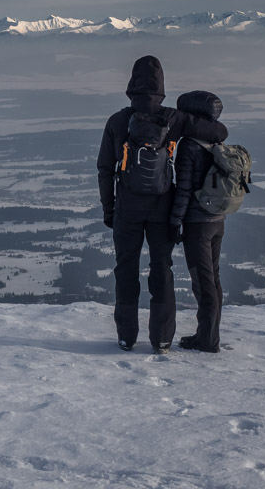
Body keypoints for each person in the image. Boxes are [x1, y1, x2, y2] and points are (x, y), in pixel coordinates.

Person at [97, 56, 228, 354]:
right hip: (163, 209)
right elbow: (220, 133)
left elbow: (105, 168)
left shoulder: (118, 121)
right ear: (162, 88)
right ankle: (163, 339)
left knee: (126, 269)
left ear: (131, 86)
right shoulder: (174, 118)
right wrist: (190, 112)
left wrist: (109, 208)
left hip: (127, 209)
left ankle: (126, 337)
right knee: (162, 269)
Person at [169, 90, 227, 353]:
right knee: (213, 281)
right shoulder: (216, 140)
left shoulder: (190, 145)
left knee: (203, 285)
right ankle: (209, 336)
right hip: (218, 221)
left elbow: (183, 189)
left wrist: (174, 222)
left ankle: (207, 341)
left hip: (198, 225)